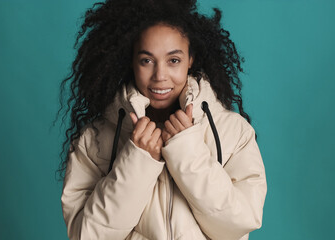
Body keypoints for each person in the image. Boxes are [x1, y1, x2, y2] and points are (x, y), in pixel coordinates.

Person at [57, 0, 267, 239]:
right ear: (131, 61)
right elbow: (87, 235)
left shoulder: (234, 132)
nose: (160, 76)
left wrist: (187, 152)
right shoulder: (92, 140)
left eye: (173, 60)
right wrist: (137, 159)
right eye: (146, 60)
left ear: (191, 59)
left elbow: (238, 223)